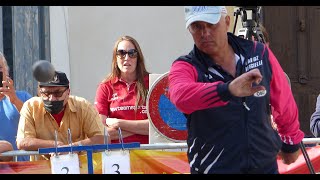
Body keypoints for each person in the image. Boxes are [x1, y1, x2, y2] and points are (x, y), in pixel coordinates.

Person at [168, 6, 304, 174]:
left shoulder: (258, 52)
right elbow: (180, 97)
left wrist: (290, 141)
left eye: (211, 24)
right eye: (197, 26)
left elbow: (283, 97)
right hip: (214, 169)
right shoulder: (186, 65)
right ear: (189, 30)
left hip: (263, 165)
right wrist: (227, 90)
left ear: (227, 21)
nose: (205, 33)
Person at [16, 71, 106, 161]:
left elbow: (103, 138)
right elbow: (23, 141)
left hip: (79, 168)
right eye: (46, 93)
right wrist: (55, 145)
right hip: (43, 169)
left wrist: (73, 147)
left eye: (57, 93)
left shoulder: (83, 106)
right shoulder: (30, 107)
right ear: (40, 93)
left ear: (68, 92)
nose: (52, 98)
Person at [94, 35, 150, 144]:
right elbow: (100, 133)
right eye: (121, 53)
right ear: (115, 58)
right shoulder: (105, 87)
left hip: (148, 155)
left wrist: (118, 123)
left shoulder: (152, 83)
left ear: (138, 58)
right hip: (118, 156)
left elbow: (158, 127)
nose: (127, 58)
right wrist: (140, 128)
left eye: (132, 53)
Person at [0, 52, 32, 161]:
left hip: (24, 166)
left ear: (6, 71)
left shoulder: (23, 97)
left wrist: (14, 100)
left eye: (0, 68)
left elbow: (37, 122)